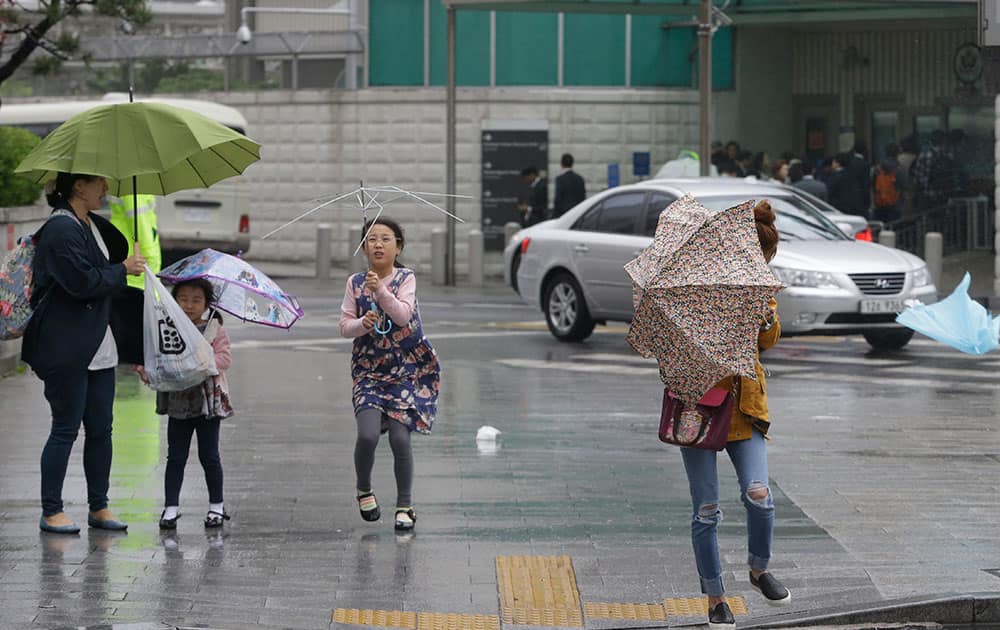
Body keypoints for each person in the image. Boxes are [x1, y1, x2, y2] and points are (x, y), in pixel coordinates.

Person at [679, 200, 789, 630]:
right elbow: (673, 353)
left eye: (768, 260)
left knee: (760, 496)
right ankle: (716, 598)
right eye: (760, 258)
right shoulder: (696, 290)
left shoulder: (760, 288)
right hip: (699, 408)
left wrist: (763, 315)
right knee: (706, 509)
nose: (763, 265)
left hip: (746, 408)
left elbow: (770, 342)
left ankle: (759, 569)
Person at [21, 172, 146, 534]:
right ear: (78, 186)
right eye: (99, 183)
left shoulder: (90, 223)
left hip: (98, 343)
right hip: (66, 345)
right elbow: (82, 284)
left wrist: (123, 266)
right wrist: (122, 270)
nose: (106, 188)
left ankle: (100, 505)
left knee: (101, 429)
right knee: (65, 428)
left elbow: (102, 272)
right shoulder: (61, 229)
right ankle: (51, 510)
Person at [339, 218, 440, 532]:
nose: (378, 245)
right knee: (367, 434)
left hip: (403, 370)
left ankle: (405, 506)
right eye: (371, 239)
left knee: (400, 439)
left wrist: (380, 290)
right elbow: (344, 327)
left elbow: (402, 315)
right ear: (363, 247)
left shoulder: (405, 278)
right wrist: (362, 325)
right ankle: (364, 489)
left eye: (385, 239)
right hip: (368, 371)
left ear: (398, 246)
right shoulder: (356, 282)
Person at [145, 277, 233, 531]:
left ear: (206, 303)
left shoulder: (214, 329)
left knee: (209, 456)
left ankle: (216, 505)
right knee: (176, 456)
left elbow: (224, 358)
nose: (189, 305)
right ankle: (171, 507)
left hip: (208, 404)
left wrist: (201, 361)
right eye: (183, 299)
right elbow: (156, 352)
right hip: (178, 404)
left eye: (196, 300)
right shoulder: (168, 325)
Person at [106, 193, 161, 366]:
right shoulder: (135, 191)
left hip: (131, 267)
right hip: (137, 273)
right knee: (134, 349)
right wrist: (151, 268)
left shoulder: (134, 187)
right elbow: (142, 229)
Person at [553, 154, 586, 218]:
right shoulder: (580, 178)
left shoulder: (560, 179)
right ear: (572, 164)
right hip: (577, 214)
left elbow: (558, 199)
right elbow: (583, 197)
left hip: (564, 215)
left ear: (561, 164)